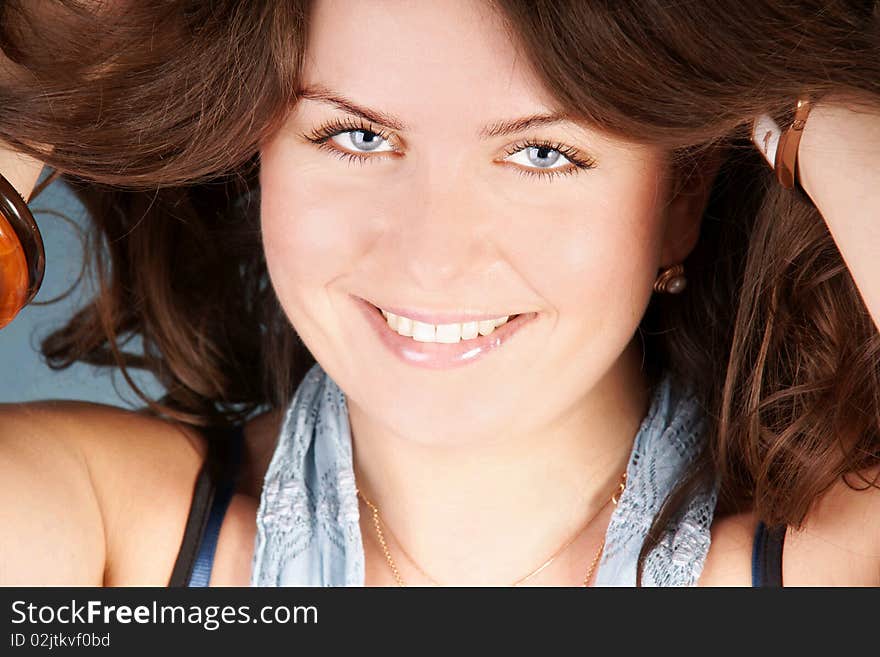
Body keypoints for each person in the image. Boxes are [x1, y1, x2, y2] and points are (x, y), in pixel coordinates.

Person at [1, 0, 879, 587]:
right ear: (254, 152)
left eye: (543, 153)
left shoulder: (824, 572)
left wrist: (790, 72)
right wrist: (80, 63)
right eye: (355, 135)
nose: (432, 257)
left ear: (682, 195)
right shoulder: (115, 549)